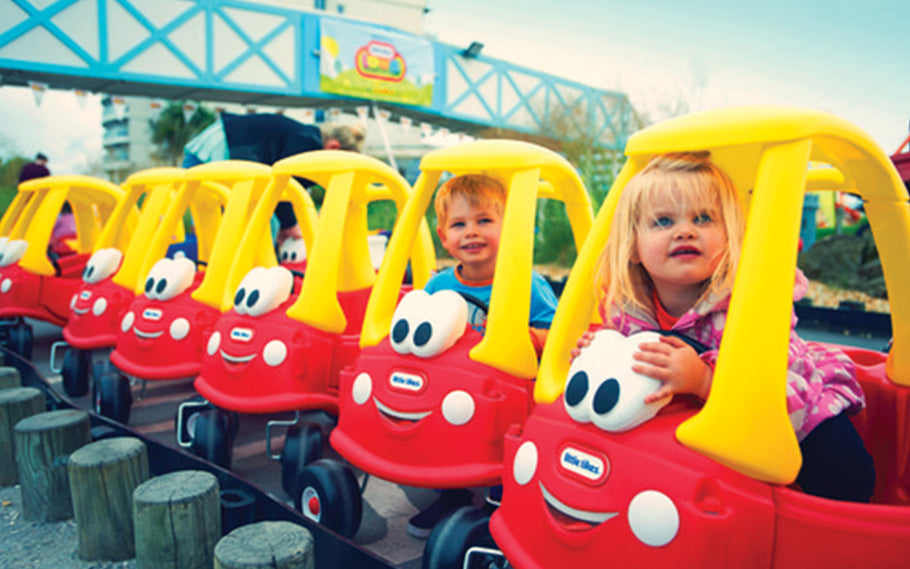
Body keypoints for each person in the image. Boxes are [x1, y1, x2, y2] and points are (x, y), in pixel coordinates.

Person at [581, 151, 874, 502]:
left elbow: (777, 386)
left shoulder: (749, 301)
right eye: (663, 222)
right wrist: (598, 353)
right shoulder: (628, 309)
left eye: (703, 218)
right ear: (633, 247)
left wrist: (705, 380)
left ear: (729, 237)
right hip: (702, 442)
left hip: (794, 408)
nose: (685, 231)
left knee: (848, 474)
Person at [408, 174, 559, 538]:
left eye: (485, 221)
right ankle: (452, 494)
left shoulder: (526, 283)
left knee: (505, 446)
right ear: (444, 237)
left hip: (507, 393)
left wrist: (520, 334)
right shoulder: (438, 285)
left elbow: (555, 335)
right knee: (440, 431)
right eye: (459, 224)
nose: (471, 232)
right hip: (453, 389)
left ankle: (501, 503)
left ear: (510, 229)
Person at [182, 112, 366, 244]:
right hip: (219, 148)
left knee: (211, 217)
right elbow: (283, 182)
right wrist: (290, 226)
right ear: (333, 148)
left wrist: (285, 227)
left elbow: (286, 193)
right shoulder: (307, 142)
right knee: (226, 220)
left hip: (219, 145)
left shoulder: (305, 138)